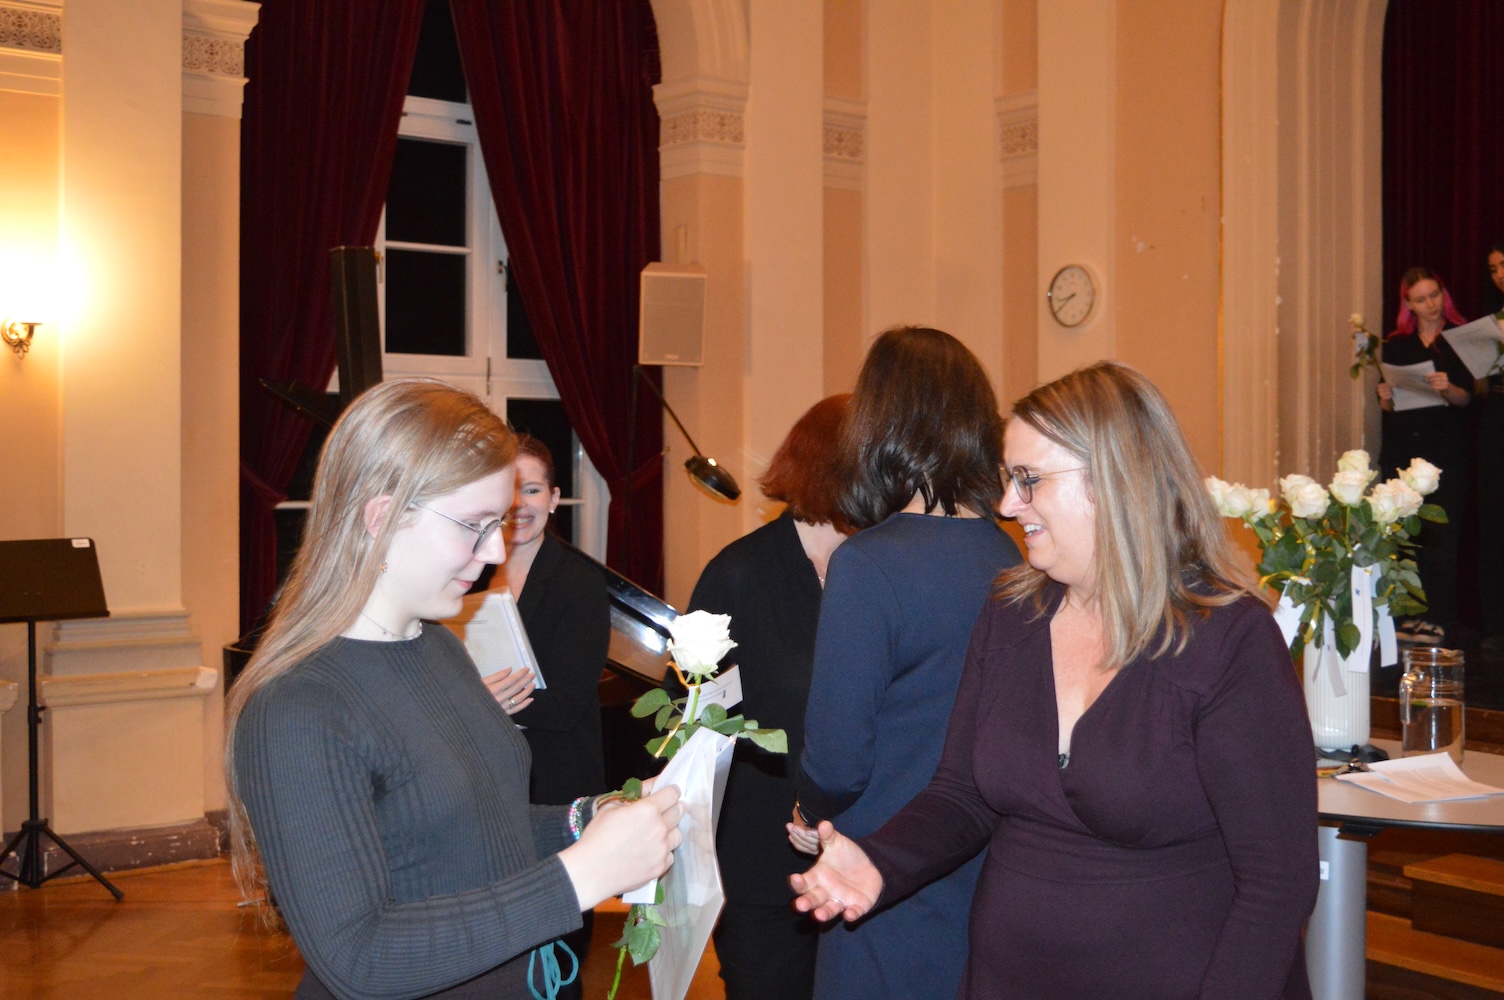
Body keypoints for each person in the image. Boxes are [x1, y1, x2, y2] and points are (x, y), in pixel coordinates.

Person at [790, 361, 1319, 999]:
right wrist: (881, 861)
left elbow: (1277, 883)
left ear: (1115, 480)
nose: (1007, 505)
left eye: (1030, 480)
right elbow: (962, 794)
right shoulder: (1010, 613)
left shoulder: (1228, 639)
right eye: (1009, 478)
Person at [223, 378, 681, 1000]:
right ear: (382, 517)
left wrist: (589, 818)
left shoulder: (437, 646)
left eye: (501, 523)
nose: (494, 551)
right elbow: (358, 959)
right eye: (474, 524)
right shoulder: (298, 707)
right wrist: (579, 877)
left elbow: (463, 827)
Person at [791, 327, 1022, 1000]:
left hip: (881, 869)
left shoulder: (869, 563)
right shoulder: (1014, 557)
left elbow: (838, 759)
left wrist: (808, 812)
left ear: (880, 423)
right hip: (988, 865)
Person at [683, 394, 853, 1000]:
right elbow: (695, 722)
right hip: (759, 858)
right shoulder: (738, 573)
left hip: (859, 854)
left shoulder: (881, 567)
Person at [1376, 267, 1475, 642]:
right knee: (1403, 538)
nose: (1430, 304)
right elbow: (1389, 406)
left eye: (1434, 295)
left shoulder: (1458, 339)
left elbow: (1467, 399)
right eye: (1421, 299)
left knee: (1441, 539)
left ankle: (1439, 617)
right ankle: (1408, 617)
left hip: (1445, 451)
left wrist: (1447, 388)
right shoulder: (1396, 344)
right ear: (1409, 305)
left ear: (1443, 295)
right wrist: (1385, 398)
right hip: (1403, 448)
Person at [1476, 243, 1504, 645]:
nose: (1500, 275)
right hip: (1496, 417)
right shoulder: (1491, 320)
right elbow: (1479, 387)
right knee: (1494, 521)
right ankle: (1496, 626)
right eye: (1493, 268)